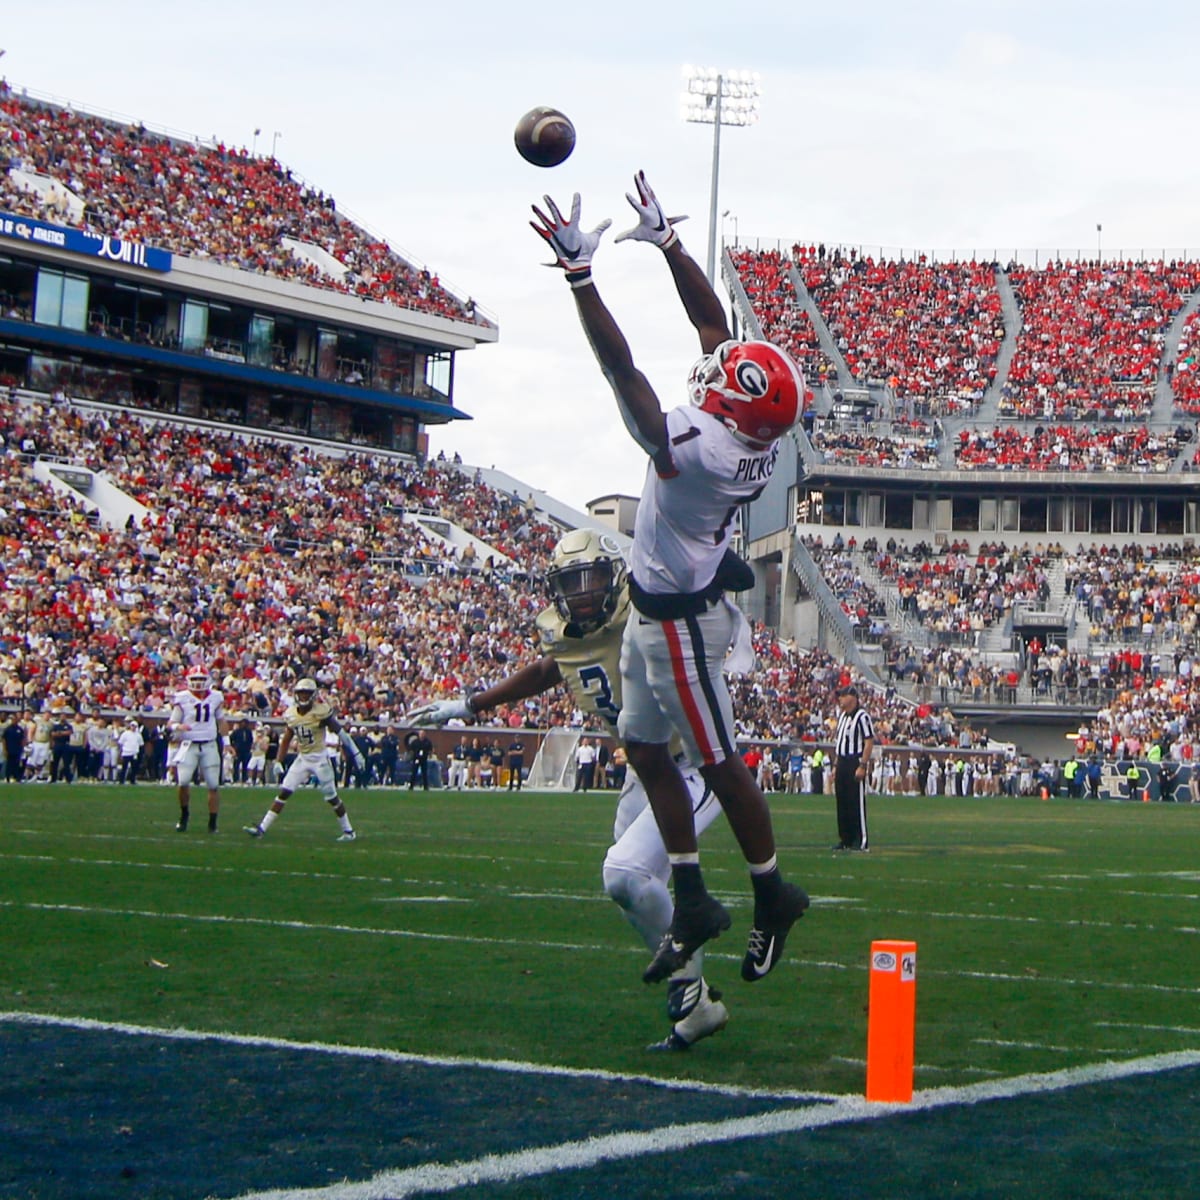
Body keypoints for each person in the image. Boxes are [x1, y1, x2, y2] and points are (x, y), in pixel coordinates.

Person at [530, 175, 809, 987]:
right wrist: (670, 245)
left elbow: (623, 375)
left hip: (686, 619)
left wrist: (583, 278)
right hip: (657, 608)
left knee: (718, 759)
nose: (715, 372)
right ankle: (690, 892)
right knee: (644, 746)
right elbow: (712, 326)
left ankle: (771, 892)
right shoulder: (746, 432)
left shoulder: (699, 449)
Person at [409, 528, 729, 1050]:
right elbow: (547, 670)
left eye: (592, 577)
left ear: (617, 576)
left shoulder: (646, 611)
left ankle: (689, 987)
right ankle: (694, 1001)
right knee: (627, 891)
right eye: (571, 581)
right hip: (644, 772)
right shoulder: (563, 631)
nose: (581, 592)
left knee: (624, 874)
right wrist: (469, 705)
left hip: (695, 763)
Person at [243, 678, 365, 841]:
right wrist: (279, 760)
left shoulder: (321, 711)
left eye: (307, 693)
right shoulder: (291, 714)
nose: (303, 697)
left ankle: (349, 831)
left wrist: (356, 753)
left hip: (320, 758)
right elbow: (286, 739)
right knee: (284, 792)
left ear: (313, 695)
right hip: (303, 758)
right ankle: (262, 829)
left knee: (332, 797)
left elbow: (341, 733)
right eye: (301, 693)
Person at [166, 667, 228, 833]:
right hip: (188, 745)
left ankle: (212, 823)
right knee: (183, 782)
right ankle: (184, 815)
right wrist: (180, 726)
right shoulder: (182, 698)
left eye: (201, 679)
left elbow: (222, 721)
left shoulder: (215, 697)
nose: (198, 683)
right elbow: (170, 724)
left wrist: (227, 742)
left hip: (209, 744)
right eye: (195, 679)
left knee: (213, 785)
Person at [831, 686, 875, 852]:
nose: (840, 699)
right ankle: (845, 838)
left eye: (843, 696)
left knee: (855, 801)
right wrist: (836, 765)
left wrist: (862, 765)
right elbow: (840, 742)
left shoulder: (862, 716)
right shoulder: (842, 716)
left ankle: (860, 839)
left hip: (854, 761)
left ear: (852, 697)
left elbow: (869, 741)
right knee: (842, 802)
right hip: (842, 761)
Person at [229, 717, 254, 785]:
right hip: (238, 751)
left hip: (246, 751)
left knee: (245, 765)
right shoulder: (237, 731)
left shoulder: (249, 732)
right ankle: (236, 779)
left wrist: (249, 748)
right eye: (242, 723)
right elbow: (230, 739)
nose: (244, 724)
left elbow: (251, 740)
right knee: (236, 765)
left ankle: (244, 779)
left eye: (245, 723)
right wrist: (233, 747)